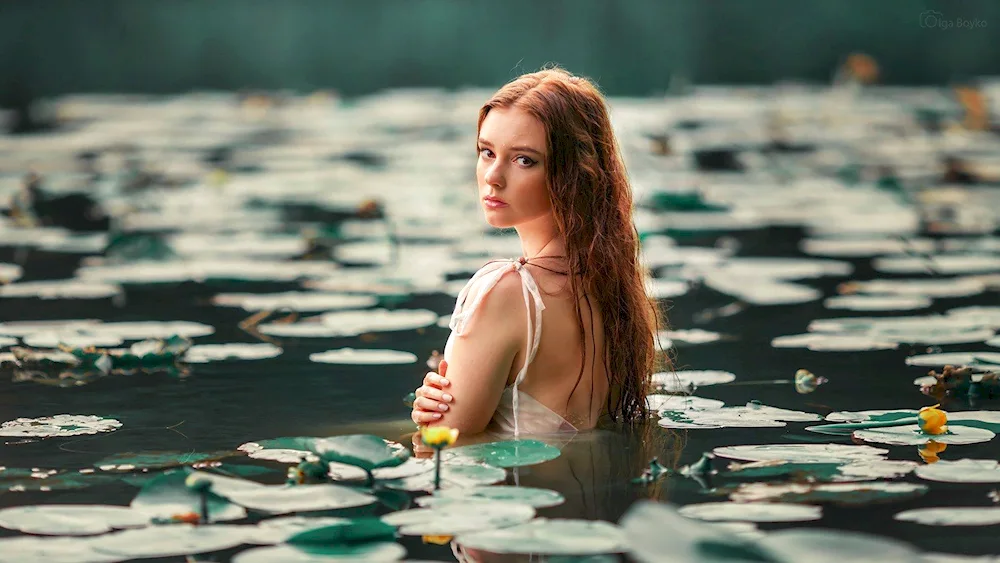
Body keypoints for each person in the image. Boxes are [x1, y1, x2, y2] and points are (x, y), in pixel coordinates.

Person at [410, 67, 662, 438]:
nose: (493, 176)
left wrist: (423, 422)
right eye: (486, 152)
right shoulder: (614, 290)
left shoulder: (504, 291)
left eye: (523, 159)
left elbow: (440, 451)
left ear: (573, 174)